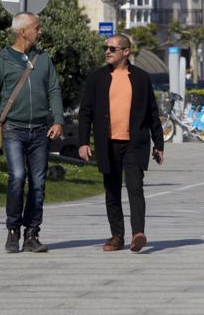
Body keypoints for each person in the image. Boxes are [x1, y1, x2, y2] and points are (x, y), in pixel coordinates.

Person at [0, 12, 64, 253]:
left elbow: (54, 90)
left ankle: (32, 234)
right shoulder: (1, 60)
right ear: (22, 31)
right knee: (17, 177)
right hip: (13, 130)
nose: (41, 31)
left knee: (38, 183)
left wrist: (58, 120)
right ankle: (13, 228)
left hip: (39, 131)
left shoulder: (43, 58)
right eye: (37, 27)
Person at [78, 34, 164, 253]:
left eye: (112, 48)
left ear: (126, 52)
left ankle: (138, 233)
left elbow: (152, 112)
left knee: (135, 187)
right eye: (106, 48)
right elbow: (86, 113)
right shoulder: (97, 78)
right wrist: (83, 142)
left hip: (134, 144)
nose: (107, 51)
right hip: (107, 143)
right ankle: (117, 236)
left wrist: (159, 143)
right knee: (112, 190)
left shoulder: (141, 78)